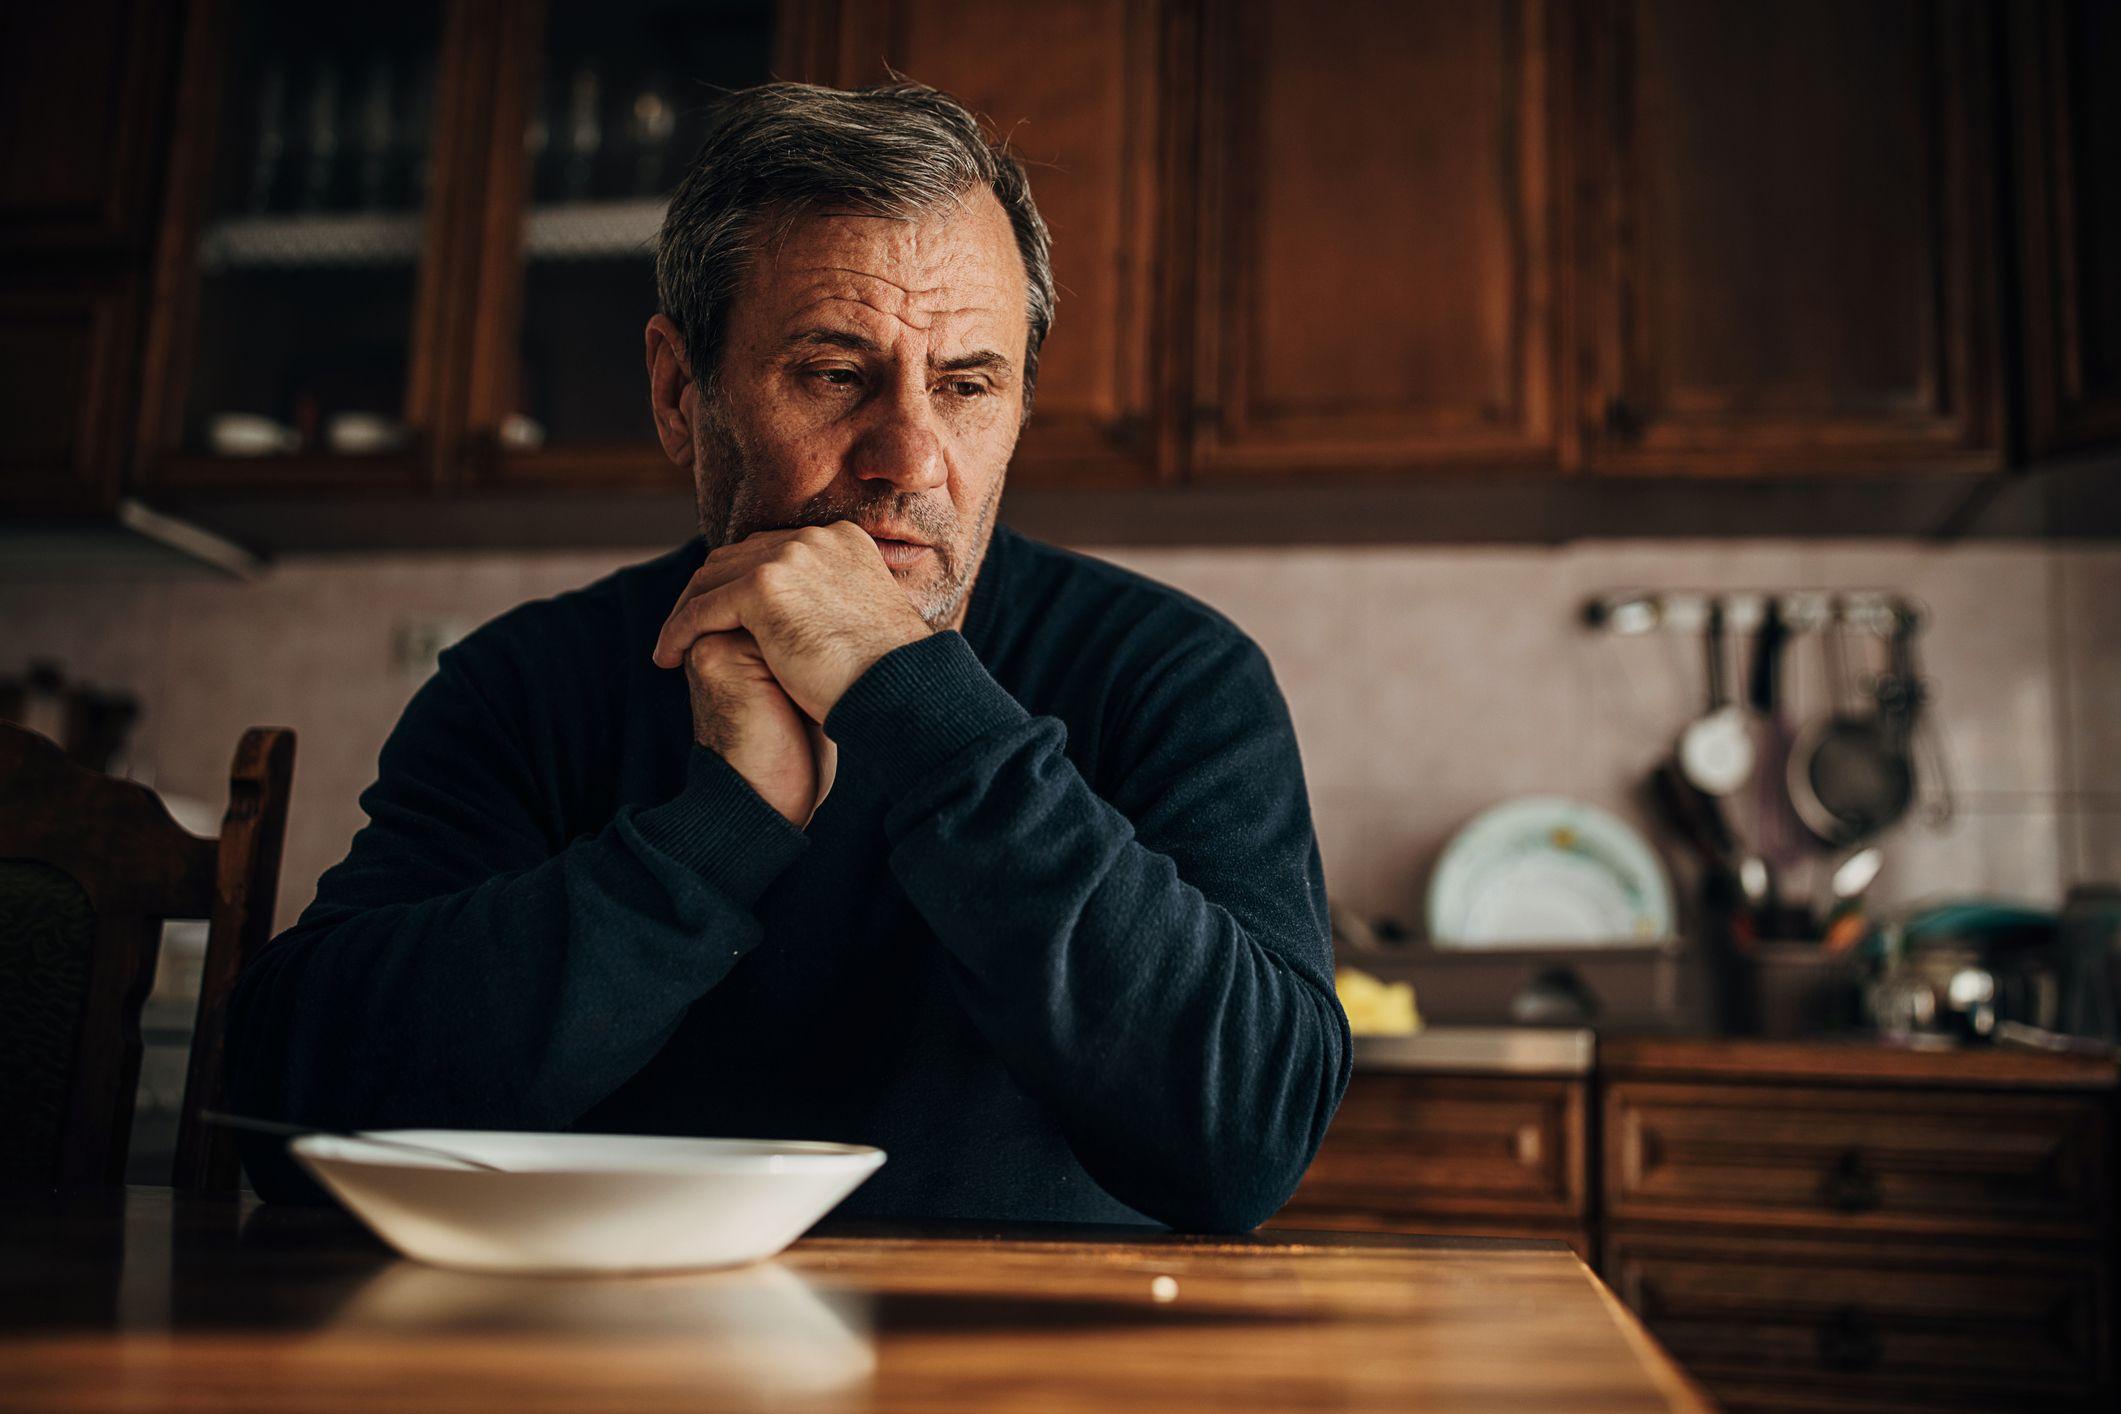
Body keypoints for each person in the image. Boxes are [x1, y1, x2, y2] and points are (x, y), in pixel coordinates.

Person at [228, 82, 1348, 1231]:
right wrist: (724, 827)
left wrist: (911, 701)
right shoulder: (525, 684)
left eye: (967, 385)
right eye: (831, 374)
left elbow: (1244, 1143)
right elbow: (294, 1115)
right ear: (679, 393)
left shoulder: (1173, 675)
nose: (909, 457)